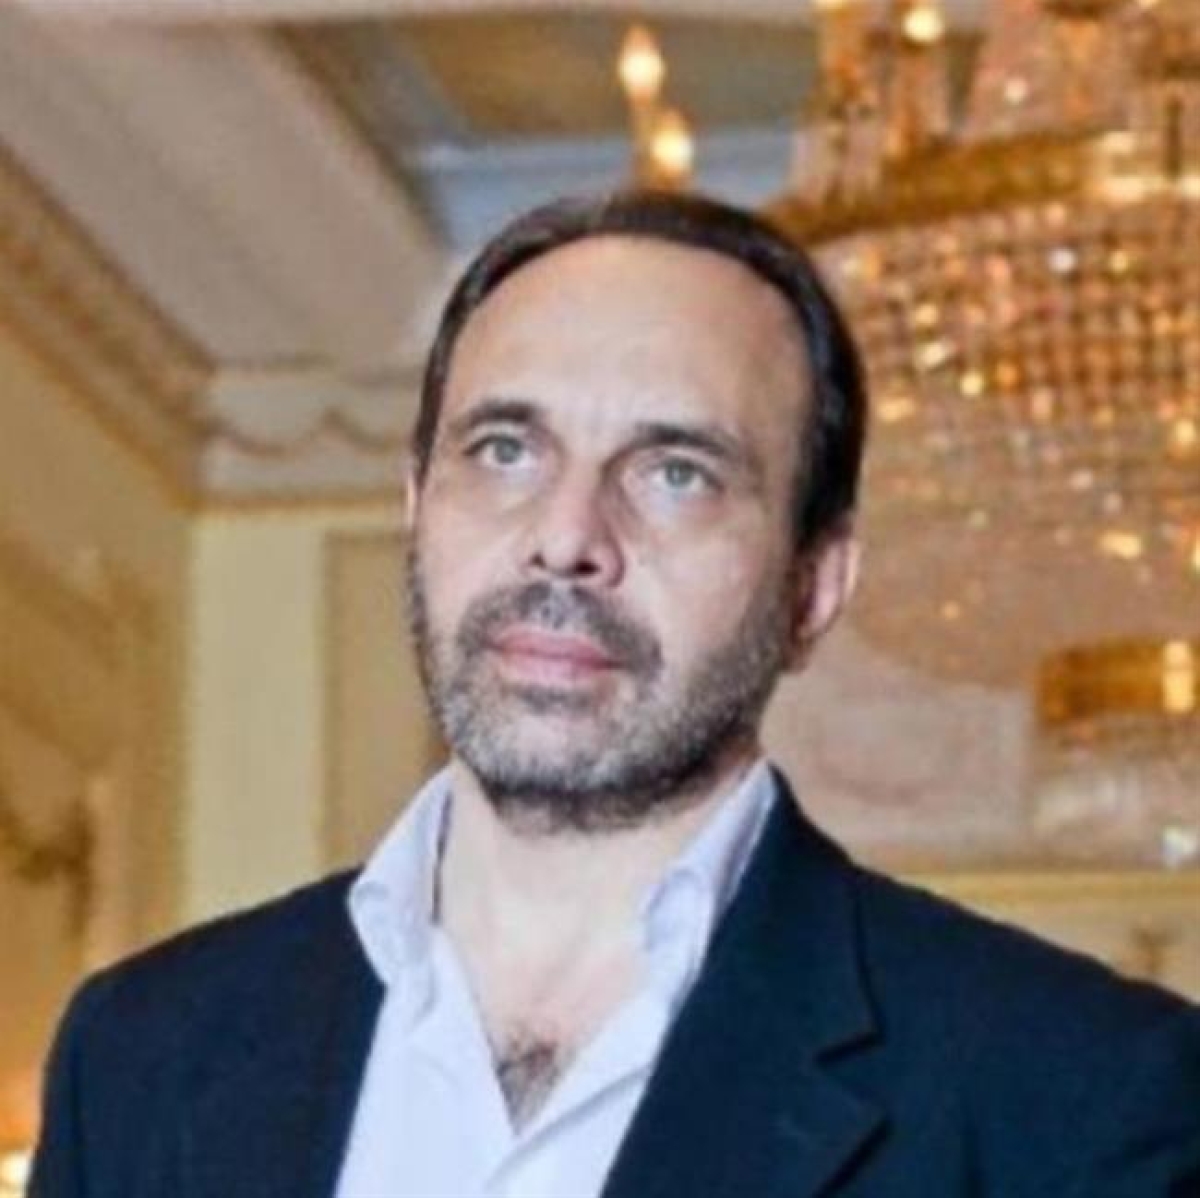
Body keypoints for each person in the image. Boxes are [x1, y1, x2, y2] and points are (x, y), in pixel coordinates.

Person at [30, 191, 1200, 1198]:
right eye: (505, 450)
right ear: (417, 506)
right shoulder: (141, 1054)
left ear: (813, 586)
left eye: (676, 473)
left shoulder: (1081, 1093)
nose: (566, 538)